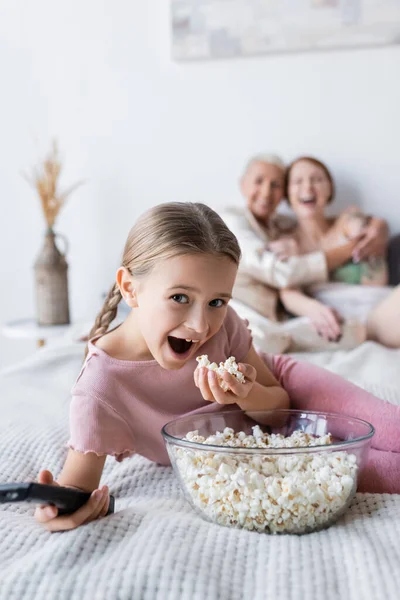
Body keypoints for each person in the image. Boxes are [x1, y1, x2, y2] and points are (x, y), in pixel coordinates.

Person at [34, 202, 400, 532]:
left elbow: (277, 407)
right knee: (384, 472)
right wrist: (60, 508)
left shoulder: (224, 325)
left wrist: (246, 393)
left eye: (217, 301)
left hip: (283, 393)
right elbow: (76, 488)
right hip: (255, 457)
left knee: (393, 430)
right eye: (179, 297)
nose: (200, 325)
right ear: (130, 288)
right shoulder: (100, 389)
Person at [221, 154, 388, 351]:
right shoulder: (233, 221)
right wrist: (351, 248)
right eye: (297, 182)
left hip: (376, 303)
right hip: (250, 319)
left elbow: (350, 227)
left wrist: (379, 226)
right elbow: (283, 274)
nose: (266, 192)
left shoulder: (281, 227)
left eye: (275, 185)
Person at [278, 156, 399, 346]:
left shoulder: (347, 221)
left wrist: (375, 226)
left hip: (385, 303)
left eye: (317, 179)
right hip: (351, 322)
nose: (308, 187)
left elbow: (363, 229)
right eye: (297, 181)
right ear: (287, 193)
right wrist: (311, 309)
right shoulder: (288, 243)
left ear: (329, 189)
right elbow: (287, 291)